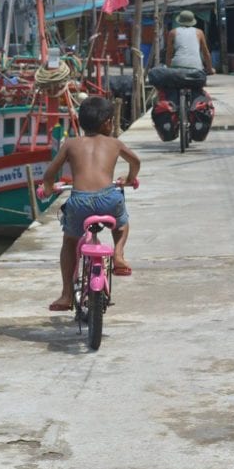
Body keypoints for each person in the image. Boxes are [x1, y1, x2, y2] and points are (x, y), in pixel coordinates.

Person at [41, 96, 141, 312]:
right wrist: (131, 179)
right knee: (122, 223)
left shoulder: (71, 144)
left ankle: (67, 294)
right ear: (107, 122)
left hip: (80, 201)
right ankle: (119, 254)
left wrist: (48, 188)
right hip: (109, 198)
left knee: (69, 241)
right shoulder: (114, 143)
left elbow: (49, 173)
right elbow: (136, 161)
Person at [166, 10, 215, 75]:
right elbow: (205, 53)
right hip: (196, 67)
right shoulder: (199, 32)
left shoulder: (173, 32)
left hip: (177, 66)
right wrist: (210, 69)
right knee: (212, 70)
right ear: (192, 21)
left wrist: (169, 71)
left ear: (179, 21)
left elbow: (169, 54)